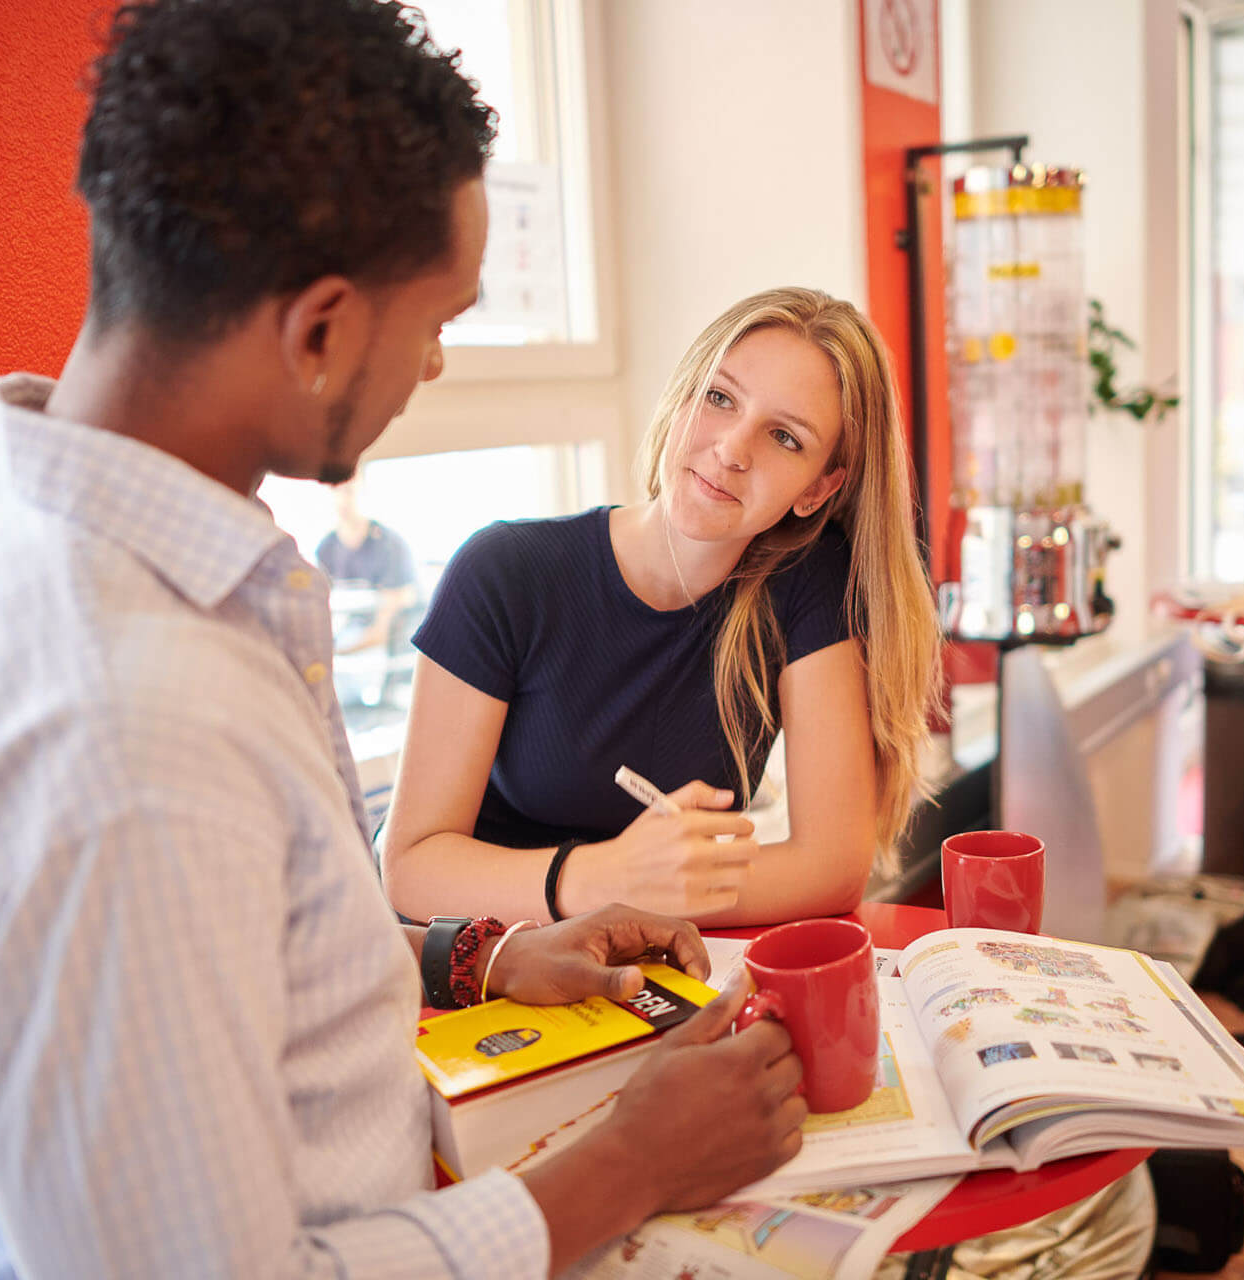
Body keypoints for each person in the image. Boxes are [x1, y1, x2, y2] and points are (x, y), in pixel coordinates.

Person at [0, 3, 807, 1276]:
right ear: (324, 329)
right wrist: (626, 1166)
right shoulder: (131, 718)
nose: (438, 363)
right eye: (436, 316)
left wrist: (474, 953)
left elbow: (209, 965)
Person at [379, 287, 944, 928]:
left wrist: (642, 894)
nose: (733, 448)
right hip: (489, 965)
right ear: (683, 397)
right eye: (720, 397)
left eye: (784, 437)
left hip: (645, 970)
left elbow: (832, 868)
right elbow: (411, 869)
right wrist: (611, 879)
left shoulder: (807, 585)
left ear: (818, 489)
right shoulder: (503, 572)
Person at [318, 475, 420, 657]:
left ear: (363, 493)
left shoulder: (390, 546)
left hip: (385, 654)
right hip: (343, 642)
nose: (341, 500)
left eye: (349, 492)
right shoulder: (326, 549)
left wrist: (337, 654)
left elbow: (384, 632)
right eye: (335, 491)